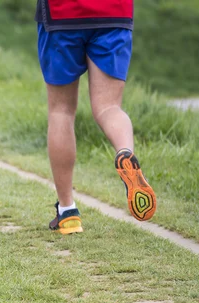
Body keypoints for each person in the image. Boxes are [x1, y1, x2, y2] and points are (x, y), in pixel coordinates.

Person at [35, 0, 157, 234]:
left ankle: (67, 212)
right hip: (114, 12)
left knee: (61, 111)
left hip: (62, 14)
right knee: (109, 107)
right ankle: (125, 152)